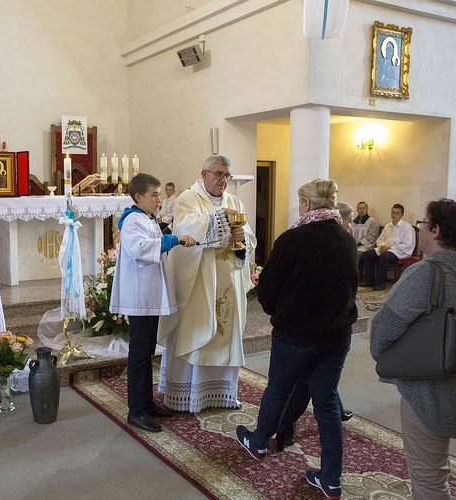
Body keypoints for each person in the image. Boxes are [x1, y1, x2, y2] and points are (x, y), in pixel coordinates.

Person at [370, 199, 456, 498]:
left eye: (423, 224)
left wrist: (392, 358)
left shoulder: (427, 273)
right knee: (435, 469)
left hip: (434, 388)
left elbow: (381, 334)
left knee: (429, 481)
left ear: (437, 230)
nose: (421, 230)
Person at [236, 178, 358, 499]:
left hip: (296, 335)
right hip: (336, 336)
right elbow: (350, 289)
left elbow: (267, 289)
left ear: (305, 205)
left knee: (277, 390)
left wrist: (280, 311)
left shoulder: (292, 239)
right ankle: (331, 479)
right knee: (327, 405)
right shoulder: (346, 241)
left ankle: (259, 442)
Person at [157, 154, 256, 413]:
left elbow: (249, 238)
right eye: (219, 174)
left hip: (228, 276)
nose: (224, 180)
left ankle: (222, 394)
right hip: (200, 279)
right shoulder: (189, 198)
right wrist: (221, 219)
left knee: (226, 332)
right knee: (198, 330)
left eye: (227, 175)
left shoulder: (234, 200)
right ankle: (191, 395)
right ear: (204, 174)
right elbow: (185, 229)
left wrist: (241, 239)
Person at [109, 173, 196, 433]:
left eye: (159, 194)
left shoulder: (146, 217)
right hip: (140, 297)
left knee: (146, 353)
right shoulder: (133, 220)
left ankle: (146, 404)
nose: (159, 199)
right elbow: (140, 249)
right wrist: (174, 239)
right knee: (138, 355)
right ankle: (136, 411)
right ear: (139, 197)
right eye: (154, 194)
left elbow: (154, 237)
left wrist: (169, 232)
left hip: (149, 296)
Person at [358, 203, 415, 291]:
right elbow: (380, 240)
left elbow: (407, 244)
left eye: (397, 213)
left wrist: (390, 248)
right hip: (384, 249)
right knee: (367, 254)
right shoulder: (388, 226)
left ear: (402, 215)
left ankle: (381, 283)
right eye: (393, 212)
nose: (394, 215)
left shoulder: (407, 227)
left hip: (399, 251)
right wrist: (382, 246)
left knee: (384, 257)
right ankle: (369, 280)